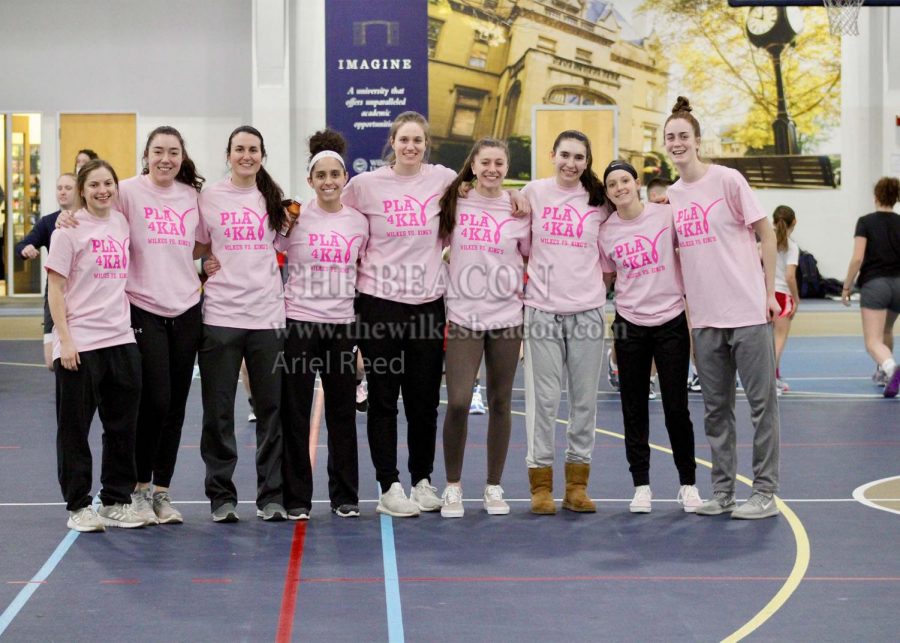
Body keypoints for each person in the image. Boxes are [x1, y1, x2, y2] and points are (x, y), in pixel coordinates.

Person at [664, 96, 781, 520]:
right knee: (716, 410)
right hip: (706, 319)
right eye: (670, 137)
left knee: (761, 405)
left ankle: (765, 493)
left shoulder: (728, 180)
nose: (677, 143)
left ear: (697, 140)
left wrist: (768, 292)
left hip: (748, 313)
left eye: (683, 136)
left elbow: (766, 234)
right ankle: (725, 492)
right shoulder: (670, 198)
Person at [341, 112, 458, 517]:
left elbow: (482, 189)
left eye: (418, 140)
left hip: (427, 305)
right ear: (392, 142)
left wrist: (519, 197)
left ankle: (422, 480)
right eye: (404, 139)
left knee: (424, 402)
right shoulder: (365, 186)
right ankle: (389, 485)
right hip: (379, 306)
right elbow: (333, 216)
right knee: (384, 400)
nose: (411, 146)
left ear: (427, 144)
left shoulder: (443, 179)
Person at [46, 159, 145, 531]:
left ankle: (115, 500)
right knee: (74, 428)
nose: (102, 190)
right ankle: (78, 506)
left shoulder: (120, 221)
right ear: (82, 191)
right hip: (81, 343)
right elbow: (55, 290)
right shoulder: (67, 232)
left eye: (108, 183)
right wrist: (64, 340)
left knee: (122, 426)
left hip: (120, 338)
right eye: (94, 186)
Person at [195, 125, 288, 522]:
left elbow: (290, 244)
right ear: (228, 154)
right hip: (221, 316)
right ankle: (221, 496)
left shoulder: (275, 201)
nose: (246, 155)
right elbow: (194, 246)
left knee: (272, 410)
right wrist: (200, 265)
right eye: (239, 149)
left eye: (253, 149)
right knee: (218, 411)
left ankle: (271, 496)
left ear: (262, 155)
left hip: (266, 316)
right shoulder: (209, 198)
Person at [598, 160, 701, 514]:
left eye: (624, 180)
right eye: (612, 184)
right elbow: (606, 279)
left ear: (636, 182)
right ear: (607, 192)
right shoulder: (606, 231)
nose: (619, 187)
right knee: (634, 407)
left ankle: (688, 484)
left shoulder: (664, 216)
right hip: (629, 323)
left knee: (676, 407)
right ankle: (641, 485)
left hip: (671, 320)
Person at [275, 129, 368, 519]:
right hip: (299, 322)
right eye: (321, 176)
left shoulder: (359, 223)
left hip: (341, 326)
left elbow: (366, 273)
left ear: (344, 179)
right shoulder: (293, 218)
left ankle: (344, 496)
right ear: (311, 180)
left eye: (335, 175)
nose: (329, 182)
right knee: (294, 412)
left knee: (342, 413)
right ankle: (296, 498)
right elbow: (265, 254)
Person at [436, 138, 530, 518]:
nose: (492, 169)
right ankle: (453, 486)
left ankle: (493, 486)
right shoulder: (454, 201)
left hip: (507, 317)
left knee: (501, 402)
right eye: (485, 162)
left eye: (499, 163)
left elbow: (534, 256)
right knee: (458, 401)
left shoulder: (519, 208)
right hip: (463, 315)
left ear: (507, 168)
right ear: (472, 165)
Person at [521, 130, 608, 515]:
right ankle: (541, 485)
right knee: (543, 400)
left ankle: (576, 485)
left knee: (584, 401)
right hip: (541, 309)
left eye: (579, 157)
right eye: (565, 155)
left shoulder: (599, 201)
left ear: (587, 162)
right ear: (552, 154)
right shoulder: (533, 193)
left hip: (588, 312)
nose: (571, 163)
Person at [841, 177, 900, 398]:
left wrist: (847, 286)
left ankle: (891, 368)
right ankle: (884, 373)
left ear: (876, 196)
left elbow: (857, 258)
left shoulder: (865, 222)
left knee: (872, 341)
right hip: (898, 285)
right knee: (886, 330)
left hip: (876, 285)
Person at [16, 173, 79, 369]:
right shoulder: (48, 222)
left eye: (68, 188)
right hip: (55, 293)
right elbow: (22, 245)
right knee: (52, 361)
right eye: (59, 188)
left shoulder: (88, 219)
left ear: (79, 191)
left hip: (81, 293)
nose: (62, 192)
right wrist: (25, 250)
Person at [772, 206, 800, 394]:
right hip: (781, 295)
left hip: (765, 295)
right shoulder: (791, 246)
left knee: (766, 341)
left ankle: (773, 377)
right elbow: (790, 276)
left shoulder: (764, 243)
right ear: (794, 223)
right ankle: (770, 381)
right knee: (778, 340)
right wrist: (796, 299)